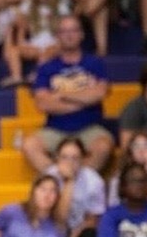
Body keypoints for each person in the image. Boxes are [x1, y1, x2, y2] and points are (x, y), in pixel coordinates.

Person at [21, 14, 114, 174]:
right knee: (29, 145)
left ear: (81, 34)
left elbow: (99, 94)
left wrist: (62, 95)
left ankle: (79, 183)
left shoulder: (95, 63)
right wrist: (85, 98)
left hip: (90, 128)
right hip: (55, 129)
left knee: (104, 146)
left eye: (74, 30)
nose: (69, 35)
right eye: (64, 31)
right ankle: (58, 178)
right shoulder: (47, 68)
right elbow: (43, 103)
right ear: (57, 36)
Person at [44, 137, 105, 237]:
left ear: (83, 159)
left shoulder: (93, 181)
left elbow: (94, 218)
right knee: (55, 233)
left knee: (90, 235)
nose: (69, 162)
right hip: (55, 228)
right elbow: (57, 218)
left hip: (81, 229)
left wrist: (76, 233)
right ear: (57, 158)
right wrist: (69, 182)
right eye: (64, 157)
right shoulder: (50, 177)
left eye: (75, 158)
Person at [4, 0, 66, 88]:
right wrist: (21, 41)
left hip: (53, 43)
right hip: (35, 43)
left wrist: (59, 42)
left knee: (46, 54)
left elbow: (64, 28)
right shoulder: (28, 3)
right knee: (13, 51)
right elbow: (20, 23)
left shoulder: (60, 5)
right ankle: (17, 77)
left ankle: (37, 74)